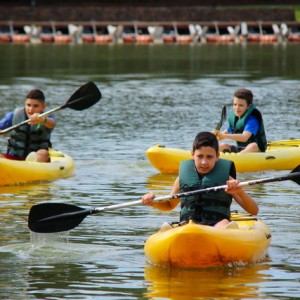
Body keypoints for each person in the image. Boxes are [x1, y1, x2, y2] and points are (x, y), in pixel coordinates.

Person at [142, 131, 258, 230]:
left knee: (223, 224)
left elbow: (254, 210)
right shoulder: (182, 178)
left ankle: (226, 233)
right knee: (177, 227)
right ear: (193, 155)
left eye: (209, 157)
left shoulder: (227, 180)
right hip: (189, 225)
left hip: (216, 224)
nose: (204, 162)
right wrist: (154, 202)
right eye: (200, 156)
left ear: (217, 156)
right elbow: (169, 205)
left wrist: (240, 192)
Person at [0, 89, 56, 162]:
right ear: (25, 104)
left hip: (37, 158)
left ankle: (34, 169)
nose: (31, 109)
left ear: (43, 107)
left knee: (43, 153)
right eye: (28, 105)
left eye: (36, 106)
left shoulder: (48, 117)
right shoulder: (14, 115)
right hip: (14, 157)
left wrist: (43, 119)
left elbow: (52, 124)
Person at [216, 88, 267, 153]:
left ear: (248, 106)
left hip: (256, 150)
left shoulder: (252, 119)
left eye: (241, 105)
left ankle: (238, 158)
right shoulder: (235, 118)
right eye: (235, 104)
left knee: (253, 146)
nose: (237, 108)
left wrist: (224, 136)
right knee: (223, 145)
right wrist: (214, 137)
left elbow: (244, 137)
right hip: (241, 148)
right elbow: (225, 133)